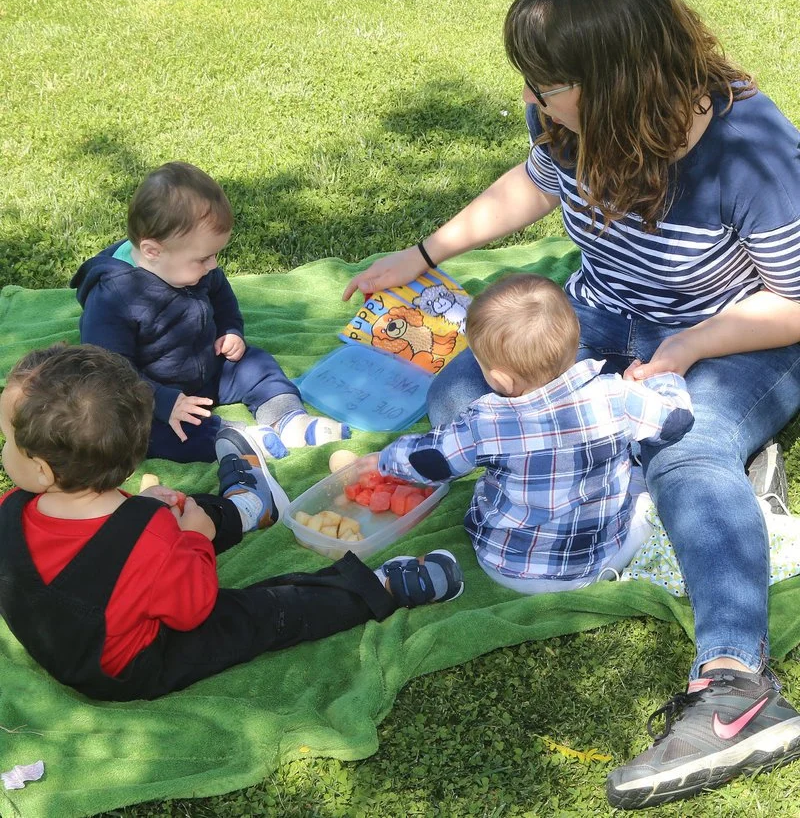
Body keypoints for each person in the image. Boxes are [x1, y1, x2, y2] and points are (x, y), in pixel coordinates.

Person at [343, 0, 800, 807]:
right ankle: (650, 458)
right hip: (605, 311)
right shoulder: (562, 118)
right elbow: (535, 183)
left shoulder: (755, 152)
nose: (531, 100)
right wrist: (425, 252)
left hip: (739, 332)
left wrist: (694, 345)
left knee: (688, 454)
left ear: (617, 80)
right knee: (456, 399)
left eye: (547, 84)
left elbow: (798, 300)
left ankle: (739, 688)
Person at [0, 344, 464, 702]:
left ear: (43, 470)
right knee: (260, 614)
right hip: (131, 667)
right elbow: (193, 609)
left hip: (74, 640)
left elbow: (88, 546)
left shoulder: (12, 507)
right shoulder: (154, 537)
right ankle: (379, 588)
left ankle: (250, 506)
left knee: (172, 511)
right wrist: (195, 542)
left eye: (7, 441)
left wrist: (147, 515)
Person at [379, 272, 693, 592]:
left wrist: (387, 458)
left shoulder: (486, 420)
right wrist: (657, 381)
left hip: (503, 563)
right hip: (595, 563)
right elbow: (676, 421)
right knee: (643, 493)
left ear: (501, 380)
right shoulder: (615, 396)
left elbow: (430, 460)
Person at [71, 161, 350, 464]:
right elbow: (110, 370)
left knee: (256, 363)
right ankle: (234, 438)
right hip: (155, 393)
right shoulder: (114, 296)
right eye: (204, 258)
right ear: (152, 251)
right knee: (153, 433)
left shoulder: (193, 266)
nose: (213, 266)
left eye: (214, 255)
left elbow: (221, 296)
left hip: (211, 369)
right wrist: (162, 400)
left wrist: (231, 329)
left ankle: (285, 417)